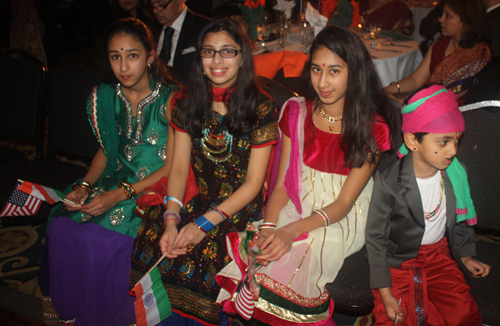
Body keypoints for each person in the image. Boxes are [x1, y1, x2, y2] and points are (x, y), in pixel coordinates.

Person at [216, 25, 398, 325]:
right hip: (297, 201)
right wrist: (271, 225)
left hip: (339, 215)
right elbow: (283, 183)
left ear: (355, 72)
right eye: (316, 70)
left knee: (288, 262)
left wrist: (290, 232)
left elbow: (343, 204)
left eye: (334, 71)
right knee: (262, 251)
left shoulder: (371, 127)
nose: (322, 82)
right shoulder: (296, 112)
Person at [129, 18, 279, 326]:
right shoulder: (187, 101)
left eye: (228, 51)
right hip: (197, 198)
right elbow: (180, 169)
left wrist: (202, 224)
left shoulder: (260, 106)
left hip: (238, 206)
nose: (218, 61)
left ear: (242, 57)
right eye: (209, 52)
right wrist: (172, 218)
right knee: (154, 239)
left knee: (207, 257)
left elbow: (253, 185)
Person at [40, 18, 179, 325]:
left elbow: (173, 166)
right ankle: (72, 310)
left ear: (151, 56)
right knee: (64, 220)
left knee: (98, 239)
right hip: (113, 179)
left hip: (154, 188)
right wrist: (86, 185)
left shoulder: (171, 100)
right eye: (115, 56)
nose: (123, 66)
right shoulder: (106, 96)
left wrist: (121, 194)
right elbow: (106, 149)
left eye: (132, 55)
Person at [366, 85, 491, 325]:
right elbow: (376, 240)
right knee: (397, 318)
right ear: (413, 141)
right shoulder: (388, 182)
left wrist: (464, 255)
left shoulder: (456, 174)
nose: (453, 151)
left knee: (462, 314)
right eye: (443, 142)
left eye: (456, 140)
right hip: (398, 262)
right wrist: (385, 293)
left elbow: (461, 219)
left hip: (439, 256)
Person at [385, 0, 493, 105]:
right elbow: (415, 79)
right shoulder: (442, 42)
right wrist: (387, 90)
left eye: (448, 16)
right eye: (442, 14)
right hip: (424, 102)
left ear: (466, 21)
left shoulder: (478, 57)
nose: (441, 19)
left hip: (448, 114)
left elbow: (442, 100)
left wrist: (400, 103)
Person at [150, 0, 211, 83]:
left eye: (161, 4)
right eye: (152, 5)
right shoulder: (150, 27)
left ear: (179, 1)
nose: (155, 10)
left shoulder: (204, 28)